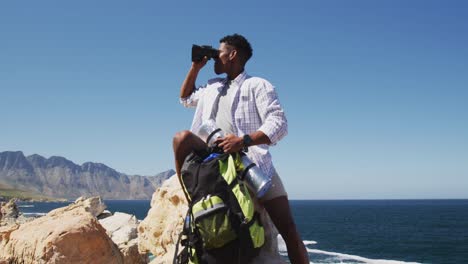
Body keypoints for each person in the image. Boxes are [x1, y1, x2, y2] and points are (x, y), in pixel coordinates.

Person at [173, 33, 309, 264]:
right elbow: (185, 98)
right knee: (182, 138)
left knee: (289, 231)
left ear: (233, 54)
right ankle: (190, 190)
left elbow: (279, 123)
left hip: (252, 162)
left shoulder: (257, 85)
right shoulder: (212, 86)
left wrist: (243, 141)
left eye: (219, 53)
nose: (215, 58)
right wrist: (196, 67)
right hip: (212, 158)